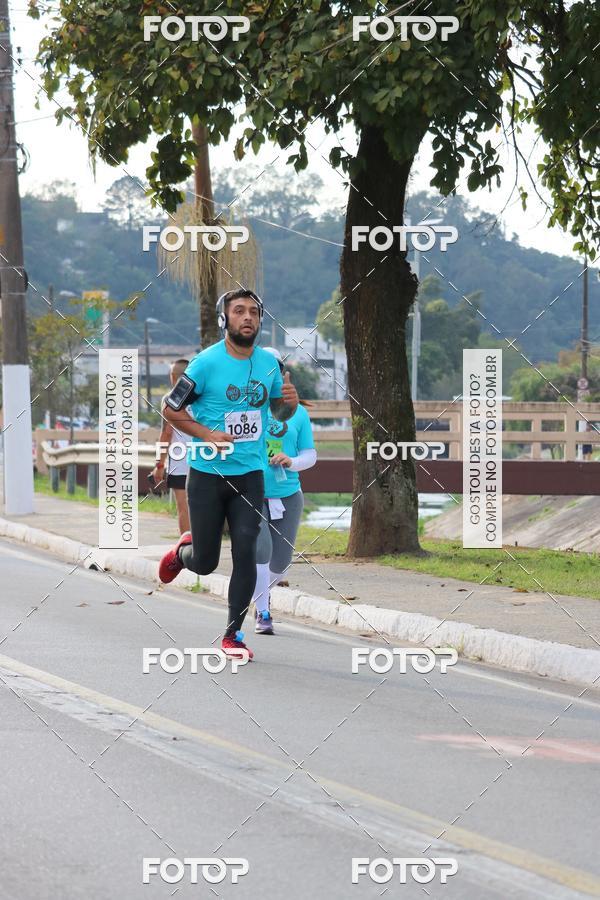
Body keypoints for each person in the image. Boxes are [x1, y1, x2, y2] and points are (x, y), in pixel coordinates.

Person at [157, 289, 299, 660]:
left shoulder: (269, 366)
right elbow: (170, 408)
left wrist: (289, 406)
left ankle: (233, 635)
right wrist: (206, 434)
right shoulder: (205, 364)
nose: (247, 317)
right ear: (225, 320)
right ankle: (182, 552)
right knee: (205, 562)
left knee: (247, 550)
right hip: (206, 474)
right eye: (239, 311)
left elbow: (277, 414)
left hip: (250, 474)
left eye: (253, 312)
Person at [252, 348, 317, 634]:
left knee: (280, 564)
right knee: (261, 551)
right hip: (251, 492)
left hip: (289, 493)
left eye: (274, 369)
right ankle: (263, 612)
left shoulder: (299, 413)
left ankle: (254, 594)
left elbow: (310, 454)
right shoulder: (246, 408)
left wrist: (291, 462)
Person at [151, 359, 191, 535]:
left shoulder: (170, 399)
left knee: (183, 508)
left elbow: (166, 433)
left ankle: (188, 548)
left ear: (172, 377)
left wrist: (159, 464)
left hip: (180, 463)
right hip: (206, 462)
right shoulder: (204, 398)